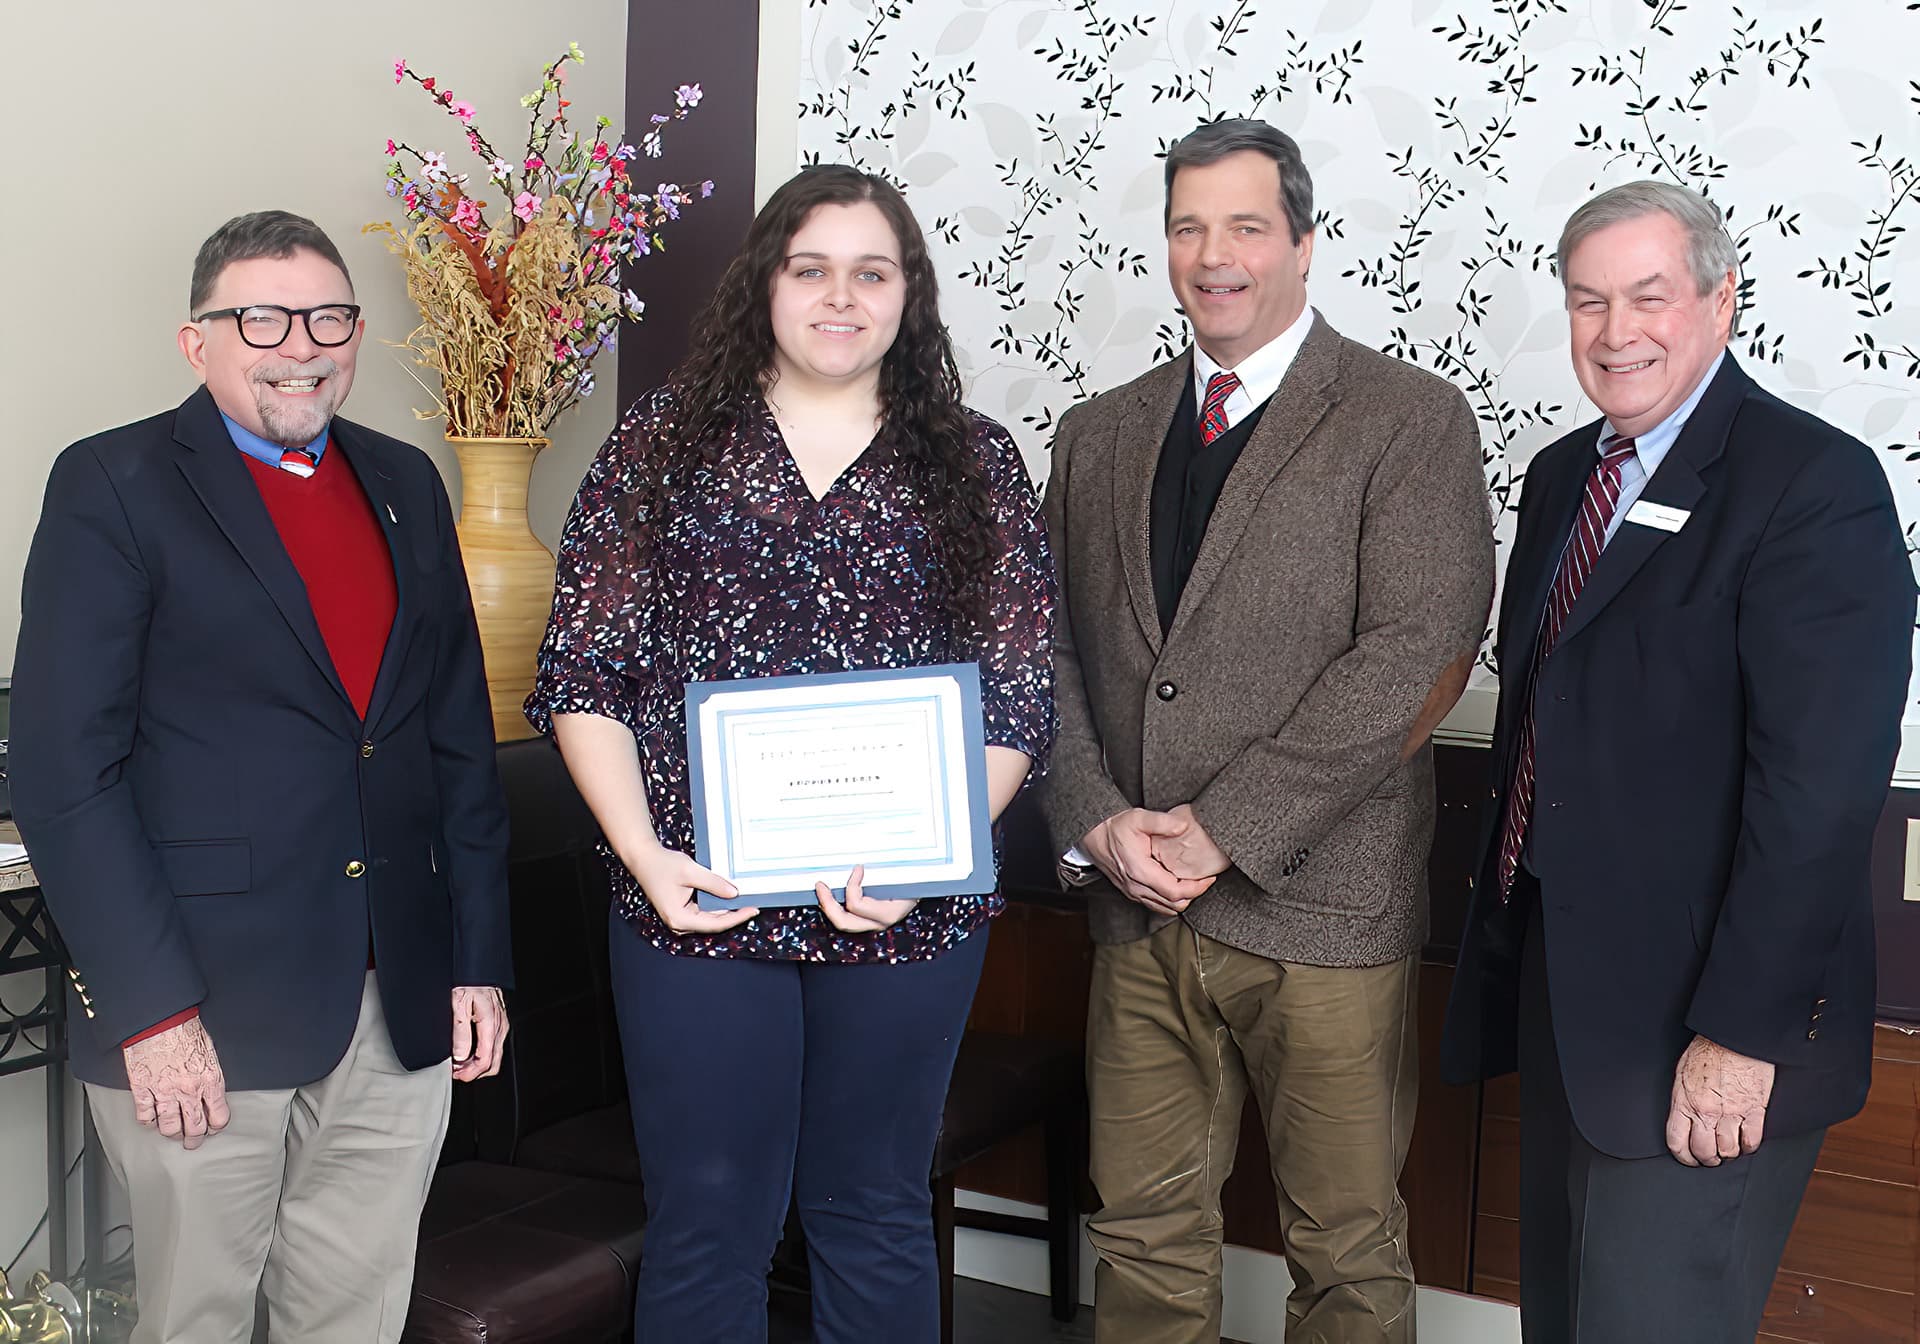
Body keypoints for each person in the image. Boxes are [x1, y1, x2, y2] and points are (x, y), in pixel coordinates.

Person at [527, 163, 1054, 1344]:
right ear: (765, 283)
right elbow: (585, 675)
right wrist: (644, 856)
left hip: (905, 912)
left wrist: (926, 858)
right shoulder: (661, 448)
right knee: (710, 1219)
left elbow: (1015, 701)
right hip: (697, 903)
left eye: (871, 273)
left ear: (908, 294)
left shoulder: (975, 462)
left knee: (869, 1211)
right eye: (810, 268)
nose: (839, 297)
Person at [9, 210, 512, 1344]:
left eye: (328, 315)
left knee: (356, 1313)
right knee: (196, 1319)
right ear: (200, 342)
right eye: (263, 317)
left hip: (395, 999)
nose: (302, 343)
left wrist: (475, 958)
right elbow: (62, 772)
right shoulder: (114, 484)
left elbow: (455, 742)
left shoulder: (406, 484)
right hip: (201, 1009)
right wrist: (151, 1013)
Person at [1038, 118, 1494, 1342]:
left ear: (1302, 241)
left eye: (1245, 225)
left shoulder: (1409, 419)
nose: (1214, 254)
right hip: (1136, 905)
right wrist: (1095, 815)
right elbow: (1055, 653)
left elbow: (1418, 656)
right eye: (1189, 226)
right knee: (1138, 1235)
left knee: (1344, 1251)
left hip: (1324, 914)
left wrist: (1223, 829)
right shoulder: (1099, 433)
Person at [1440, 180, 1915, 1342]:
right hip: (1572, 1003)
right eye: (1588, 302)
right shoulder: (1565, 478)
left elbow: (1816, 795)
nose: (1616, 333)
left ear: (1720, 300)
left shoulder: (1815, 486)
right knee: (1563, 1320)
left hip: (1711, 1025)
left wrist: (1739, 1038)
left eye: (1648, 297)